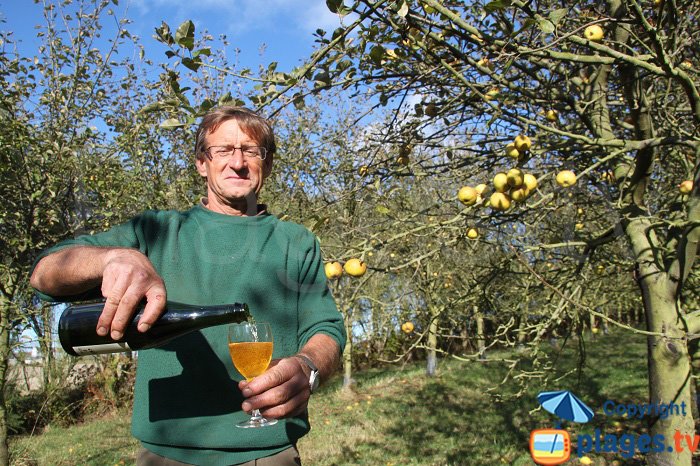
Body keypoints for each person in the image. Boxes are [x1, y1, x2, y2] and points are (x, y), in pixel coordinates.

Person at [30, 106, 346, 465]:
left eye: (251, 151)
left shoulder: (296, 242)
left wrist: (308, 366)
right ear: (201, 163)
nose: (237, 162)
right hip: (164, 453)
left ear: (267, 164)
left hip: (268, 452)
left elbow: (327, 328)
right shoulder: (156, 232)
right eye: (223, 150)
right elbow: (44, 274)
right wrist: (111, 258)